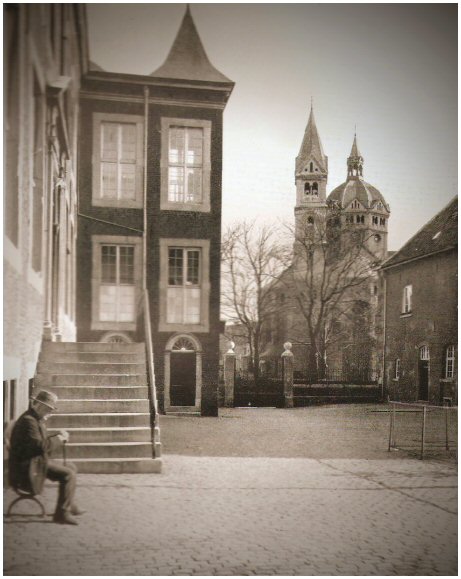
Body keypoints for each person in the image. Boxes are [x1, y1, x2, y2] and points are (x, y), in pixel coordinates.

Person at [8, 389, 84, 525]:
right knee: (68, 474)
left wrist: (56, 435)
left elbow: (38, 442)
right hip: (26, 469)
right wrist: (59, 439)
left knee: (70, 466)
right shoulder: (29, 421)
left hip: (33, 461)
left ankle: (68, 504)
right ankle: (61, 514)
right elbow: (40, 446)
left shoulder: (34, 419)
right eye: (48, 409)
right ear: (38, 405)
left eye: (51, 409)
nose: (50, 412)